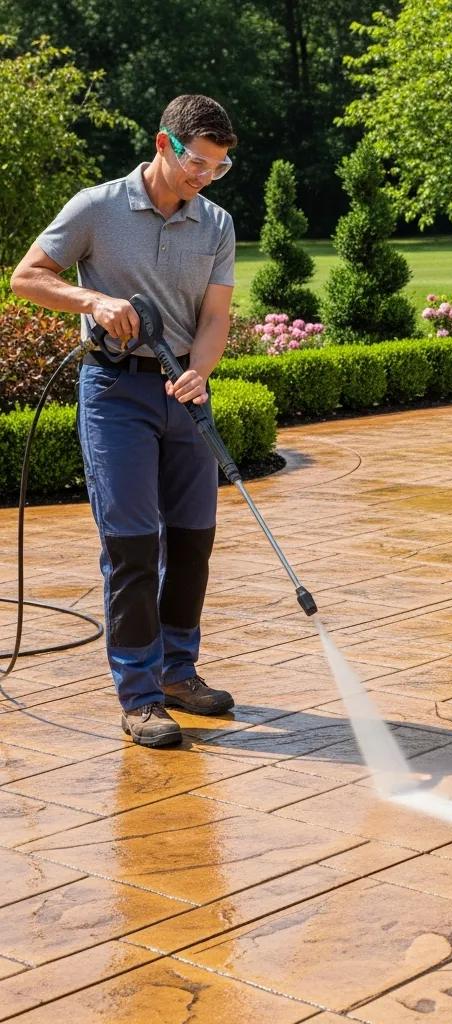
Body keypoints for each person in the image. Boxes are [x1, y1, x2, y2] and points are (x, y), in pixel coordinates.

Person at [11, 94, 239, 748]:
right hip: (116, 392)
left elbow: (217, 316)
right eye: (198, 162)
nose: (204, 177)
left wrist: (201, 370)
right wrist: (94, 300)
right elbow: (27, 277)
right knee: (134, 545)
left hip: (186, 394)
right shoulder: (97, 206)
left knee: (193, 539)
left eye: (218, 168)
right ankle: (139, 697)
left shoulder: (216, 223)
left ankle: (178, 671)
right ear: (164, 144)